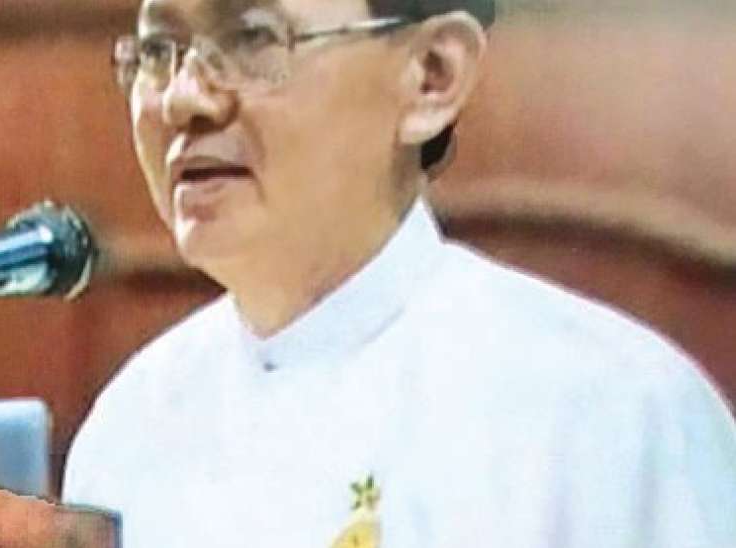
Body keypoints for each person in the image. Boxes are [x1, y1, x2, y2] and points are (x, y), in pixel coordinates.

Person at [64, 0, 736, 546]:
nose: (183, 98)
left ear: (431, 77)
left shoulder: (612, 413)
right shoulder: (129, 428)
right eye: (157, 50)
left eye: (252, 39)